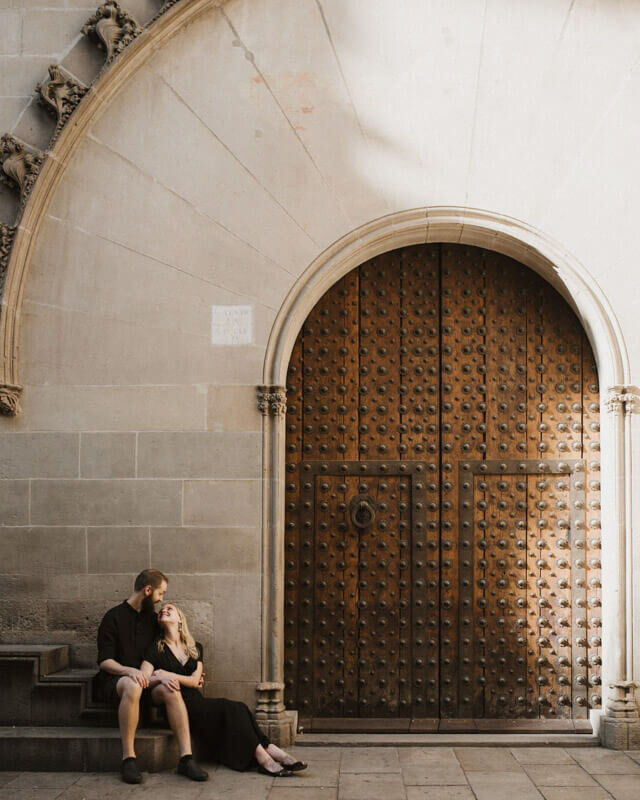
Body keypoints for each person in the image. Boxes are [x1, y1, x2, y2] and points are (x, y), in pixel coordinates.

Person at [141, 602, 308, 777]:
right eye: (161, 611)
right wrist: (158, 677)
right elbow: (145, 678)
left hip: (197, 702)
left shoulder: (194, 647)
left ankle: (269, 752)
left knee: (240, 707)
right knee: (233, 708)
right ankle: (267, 757)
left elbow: (194, 680)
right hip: (176, 709)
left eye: (169, 609)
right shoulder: (155, 649)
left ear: (180, 619)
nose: (164, 611)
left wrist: (167, 674)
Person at [94, 569, 208, 784]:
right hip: (116, 680)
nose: (161, 599)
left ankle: (186, 758)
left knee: (171, 687)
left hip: (149, 681)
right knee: (132, 685)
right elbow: (105, 661)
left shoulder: (153, 620)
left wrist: (190, 675)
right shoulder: (113, 617)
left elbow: (168, 648)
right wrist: (130, 671)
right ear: (147, 591)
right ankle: (128, 758)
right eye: (160, 594)